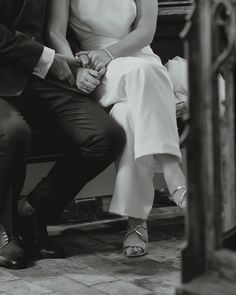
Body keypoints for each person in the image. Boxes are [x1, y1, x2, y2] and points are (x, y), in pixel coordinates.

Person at [47, 0, 187, 258]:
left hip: (139, 57)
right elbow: (55, 32)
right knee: (144, 74)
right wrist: (75, 70)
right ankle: (171, 168)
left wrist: (111, 52)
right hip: (99, 67)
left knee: (129, 113)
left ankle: (136, 220)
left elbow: (146, 31)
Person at [0, 0, 126, 270]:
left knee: (105, 136)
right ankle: (5, 228)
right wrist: (49, 61)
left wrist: (76, 65)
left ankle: (32, 211)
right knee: (13, 132)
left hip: (37, 75)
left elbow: (57, 27)